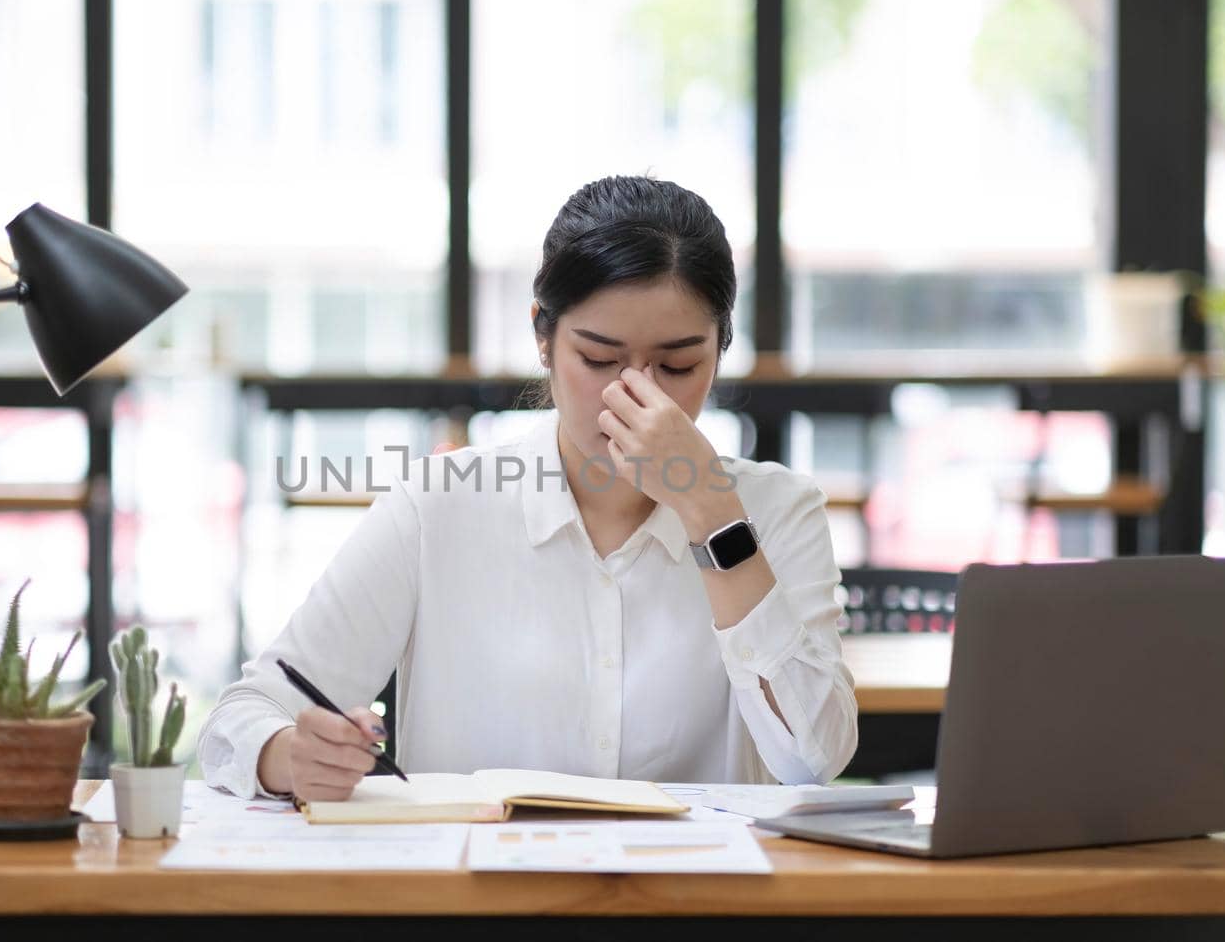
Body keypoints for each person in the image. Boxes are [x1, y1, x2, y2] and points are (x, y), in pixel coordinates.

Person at [198, 176, 857, 801]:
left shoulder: (777, 509)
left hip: (688, 910)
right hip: (479, 903)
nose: (640, 395)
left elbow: (812, 758)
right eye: (599, 360)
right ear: (543, 335)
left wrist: (711, 512)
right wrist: (289, 756)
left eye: (679, 365)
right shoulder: (441, 505)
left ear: (720, 350)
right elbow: (237, 722)